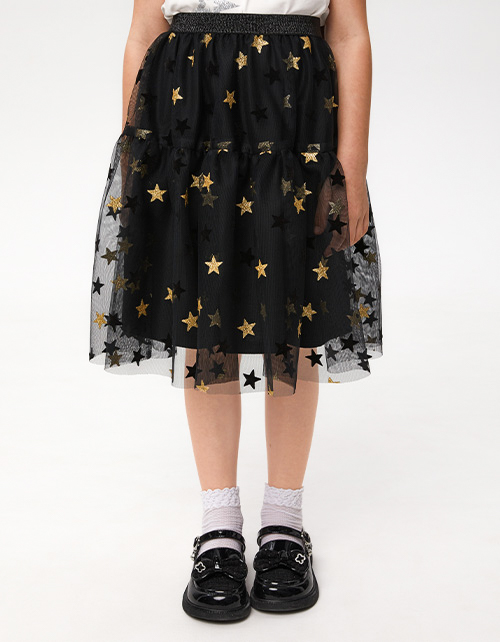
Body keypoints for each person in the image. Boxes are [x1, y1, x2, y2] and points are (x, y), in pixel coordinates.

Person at [89, 0, 382, 621]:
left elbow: (350, 33)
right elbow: (145, 30)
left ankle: (284, 522)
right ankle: (219, 525)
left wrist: (352, 168)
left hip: (296, 114)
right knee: (205, 317)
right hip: (189, 115)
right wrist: (139, 154)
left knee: (297, 317)